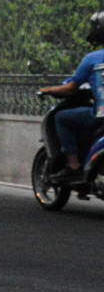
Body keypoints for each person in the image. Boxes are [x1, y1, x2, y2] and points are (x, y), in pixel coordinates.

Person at [38, 11, 104, 182]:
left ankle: (73, 166)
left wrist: (48, 90)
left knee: (61, 118)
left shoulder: (92, 59)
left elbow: (69, 89)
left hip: (100, 116)